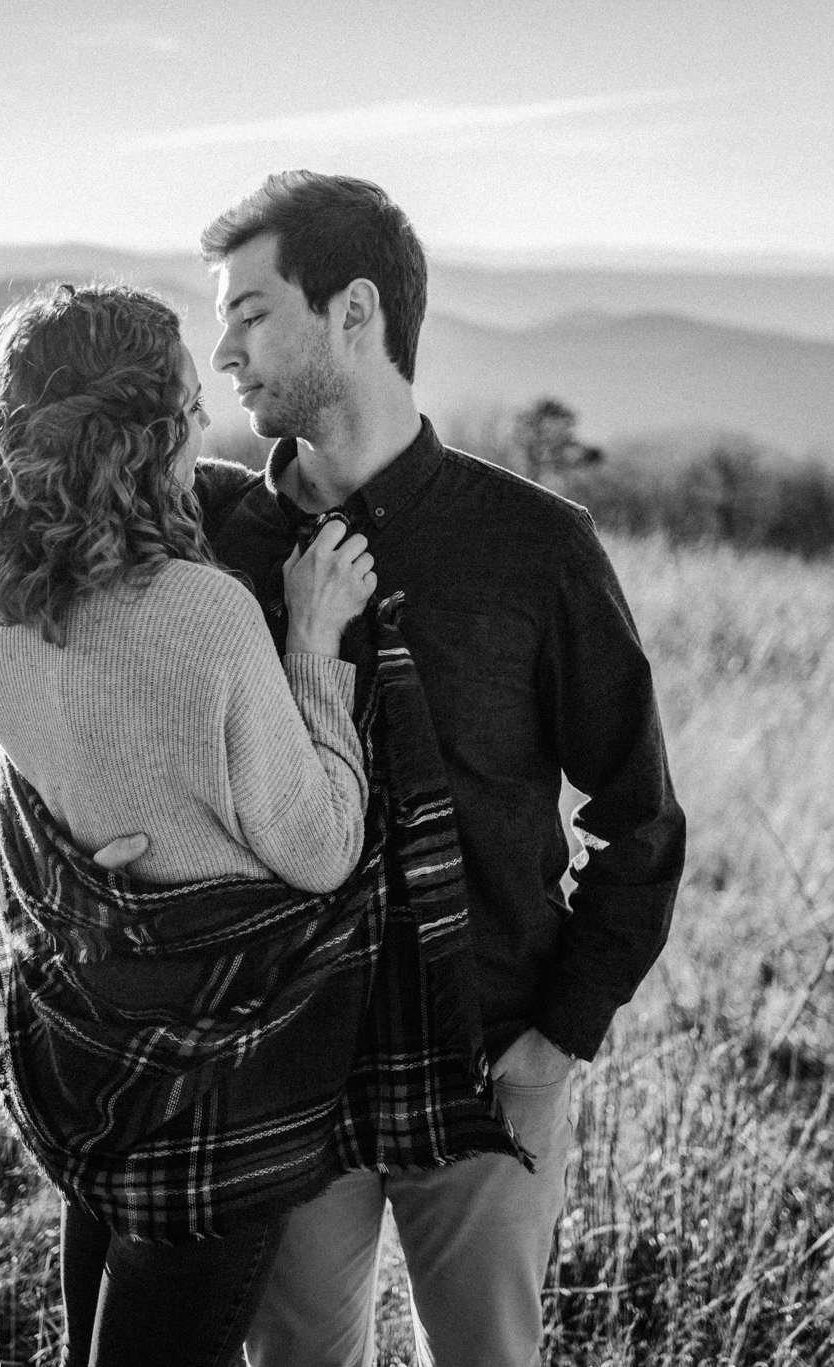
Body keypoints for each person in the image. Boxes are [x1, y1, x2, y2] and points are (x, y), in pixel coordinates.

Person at [190, 172, 688, 1367]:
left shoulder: (532, 546)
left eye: (251, 313)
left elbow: (641, 817)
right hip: (284, 1068)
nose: (222, 351)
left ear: (353, 312)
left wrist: (557, 1041)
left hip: (483, 1060)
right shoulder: (213, 548)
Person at [0, 281, 383, 1366]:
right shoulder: (201, 616)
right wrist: (314, 643)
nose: (210, 422)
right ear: (148, 432)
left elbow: (44, 793)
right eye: (191, 401)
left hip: (86, 1050)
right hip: (206, 1082)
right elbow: (323, 845)